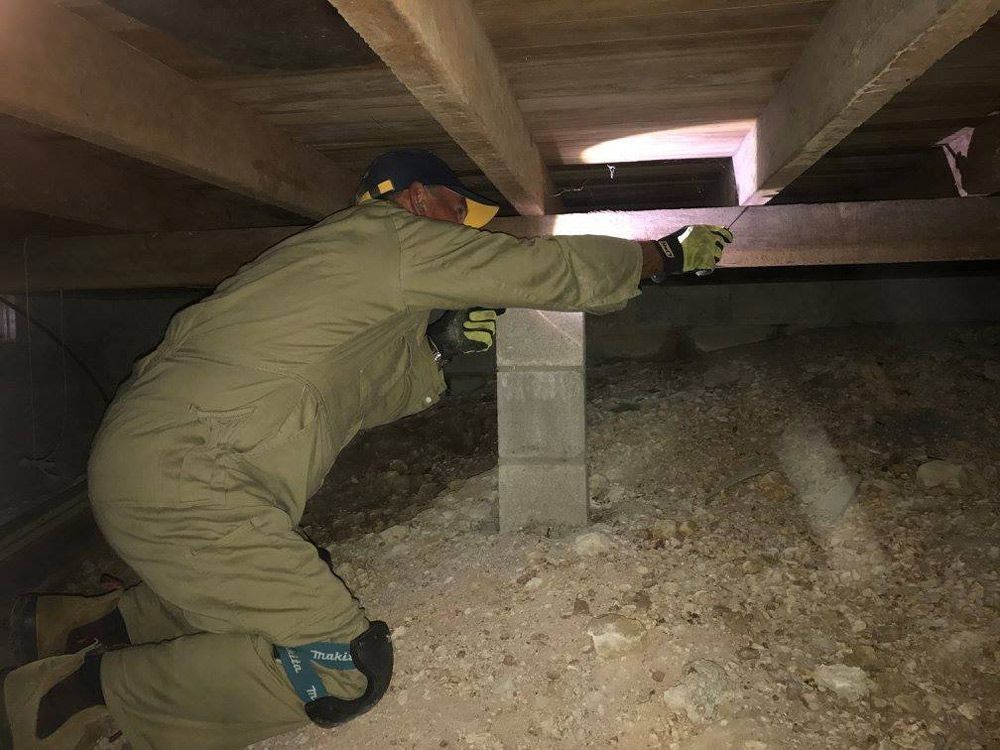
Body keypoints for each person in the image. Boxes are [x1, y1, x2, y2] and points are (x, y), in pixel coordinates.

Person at [0, 150, 733, 749]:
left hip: (157, 464)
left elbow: (356, 393)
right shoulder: (385, 236)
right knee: (342, 667)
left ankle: (84, 625)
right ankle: (79, 695)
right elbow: (539, 270)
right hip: (189, 478)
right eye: (457, 212)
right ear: (414, 198)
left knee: (292, 577)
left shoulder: (334, 269)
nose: (465, 231)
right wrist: (657, 256)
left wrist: (438, 346)